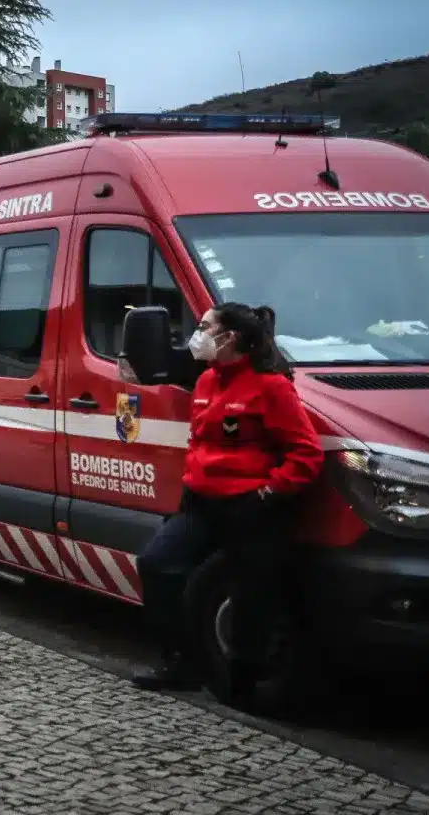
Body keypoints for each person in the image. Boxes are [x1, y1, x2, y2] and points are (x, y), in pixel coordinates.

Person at [131, 302, 324, 707]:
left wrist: (267, 493)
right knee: (156, 563)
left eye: (204, 327)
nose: (196, 336)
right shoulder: (206, 382)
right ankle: (180, 663)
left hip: (251, 509)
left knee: (252, 596)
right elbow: (200, 442)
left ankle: (242, 684)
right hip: (201, 503)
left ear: (229, 337)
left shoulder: (271, 386)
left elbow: (306, 455)